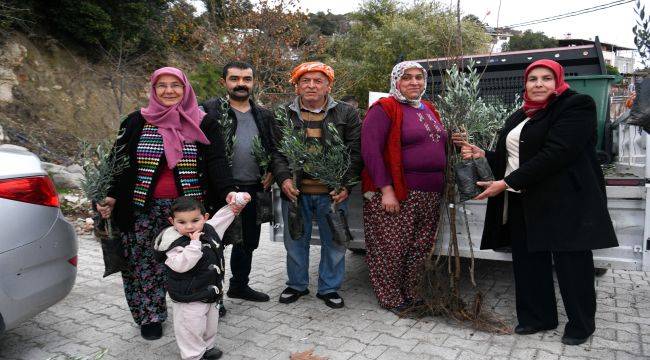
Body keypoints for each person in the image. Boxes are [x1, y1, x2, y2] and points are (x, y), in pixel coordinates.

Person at [455, 59, 618, 345]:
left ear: (558, 81)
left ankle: (581, 324)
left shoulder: (576, 106)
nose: (539, 84)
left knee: (571, 264)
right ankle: (537, 317)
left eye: (546, 78)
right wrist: (484, 155)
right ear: (525, 84)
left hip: (566, 200)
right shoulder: (521, 114)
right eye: (533, 79)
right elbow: (514, 159)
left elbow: (557, 153)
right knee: (528, 262)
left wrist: (506, 183)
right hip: (525, 199)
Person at [96, 67, 239, 340]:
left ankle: (207, 301)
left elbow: (217, 162)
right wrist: (110, 194)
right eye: (162, 85)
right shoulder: (135, 121)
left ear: (186, 89)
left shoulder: (203, 122)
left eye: (176, 85)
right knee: (143, 265)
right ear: (153, 89)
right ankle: (150, 316)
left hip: (189, 211)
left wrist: (229, 191)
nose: (169, 90)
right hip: (142, 209)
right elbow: (116, 163)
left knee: (199, 258)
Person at [271, 61, 362, 308]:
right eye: (305, 81)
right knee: (295, 241)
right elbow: (277, 153)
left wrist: (345, 185)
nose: (311, 85)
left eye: (318, 81)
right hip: (295, 193)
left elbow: (355, 153)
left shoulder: (346, 113)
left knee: (334, 242)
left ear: (328, 85)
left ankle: (329, 288)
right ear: (297, 86)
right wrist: (284, 179)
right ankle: (296, 285)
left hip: (331, 195)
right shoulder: (282, 114)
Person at [360, 61, 447, 313]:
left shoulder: (428, 108)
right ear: (396, 81)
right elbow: (371, 152)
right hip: (398, 192)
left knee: (419, 247)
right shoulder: (385, 108)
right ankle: (391, 298)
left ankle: (411, 293)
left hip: (430, 193)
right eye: (406, 77)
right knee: (391, 248)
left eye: (419, 77)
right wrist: (386, 190)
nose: (414, 82)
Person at [201, 61, 275, 307]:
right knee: (214, 244)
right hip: (218, 190)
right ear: (224, 82)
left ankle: (239, 286)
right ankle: (212, 296)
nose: (241, 84)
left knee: (248, 242)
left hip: (253, 189)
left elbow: (275, 149)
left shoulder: (264, 115)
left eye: (246, 79)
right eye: (234, 78)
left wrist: (272, 171)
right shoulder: (209, 111)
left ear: (254, 82)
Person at [154, 195, 250, 360]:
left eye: (195, 220)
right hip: (188, 296)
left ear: (205, 218)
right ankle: (192, 355)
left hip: (210, 291)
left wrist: (237, 203)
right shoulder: (172, 241)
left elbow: (221, 218)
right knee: (190, 328)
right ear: (172, 221)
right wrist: (194, 245)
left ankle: (208, 347)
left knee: (210, 324)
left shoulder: (209, 228)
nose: (190, 226)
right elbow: (181, 265)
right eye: (182, 222)